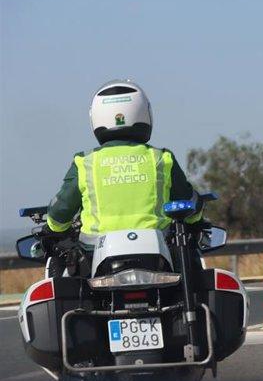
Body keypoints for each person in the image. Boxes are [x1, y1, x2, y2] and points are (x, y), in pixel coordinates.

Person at [43, 79, 203, 275]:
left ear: (96, 118)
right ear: (145, 113)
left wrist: (54, 230)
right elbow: (189, 202)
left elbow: (61, 211)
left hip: (94, 255)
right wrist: (197, 220)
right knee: (192, 267)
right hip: (158, 253)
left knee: (66, 277)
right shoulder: (161, 158)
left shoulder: (85, 162)